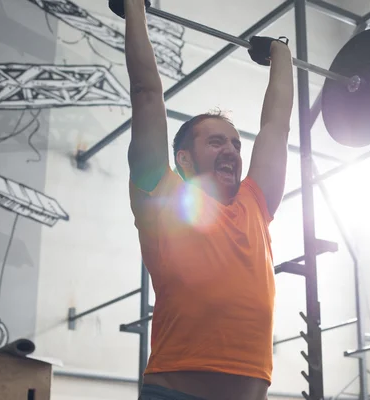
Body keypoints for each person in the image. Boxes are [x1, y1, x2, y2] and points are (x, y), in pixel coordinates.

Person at [123, 0, 294, 399]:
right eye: (216, 142)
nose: (232, 151)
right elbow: (146, 93)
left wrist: (281, 54)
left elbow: (276, 125)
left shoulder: (256, 202)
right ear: (183, 158)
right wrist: (135, 9)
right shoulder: (160, 195)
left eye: (236, 143)